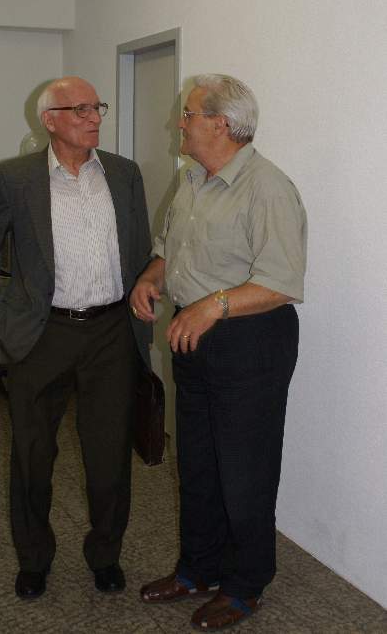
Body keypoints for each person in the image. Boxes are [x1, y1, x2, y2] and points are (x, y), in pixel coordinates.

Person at [130, 74, 307, 630]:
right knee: (199, 464)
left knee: (245, 471)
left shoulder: (268, 188)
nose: (178, 123)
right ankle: (198, 569)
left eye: (187, 114)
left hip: (249, 341)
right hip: (193, 337)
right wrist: (152, 277)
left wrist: (212, 307)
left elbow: (280, 282)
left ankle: (246, 584)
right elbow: (170, 249)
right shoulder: (191, 179)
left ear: (220, 125)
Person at [0, 76, 151, 600]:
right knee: (32, 453)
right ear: (49, 120)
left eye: (98, 107)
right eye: (80, 109)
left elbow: (140, 247)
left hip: (111, 332)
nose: (94, 118)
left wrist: (146, 288)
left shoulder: (124, 173)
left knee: (109, 455)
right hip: (42, 332)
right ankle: (34, 559)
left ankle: (105, 555)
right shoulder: (14, 178)